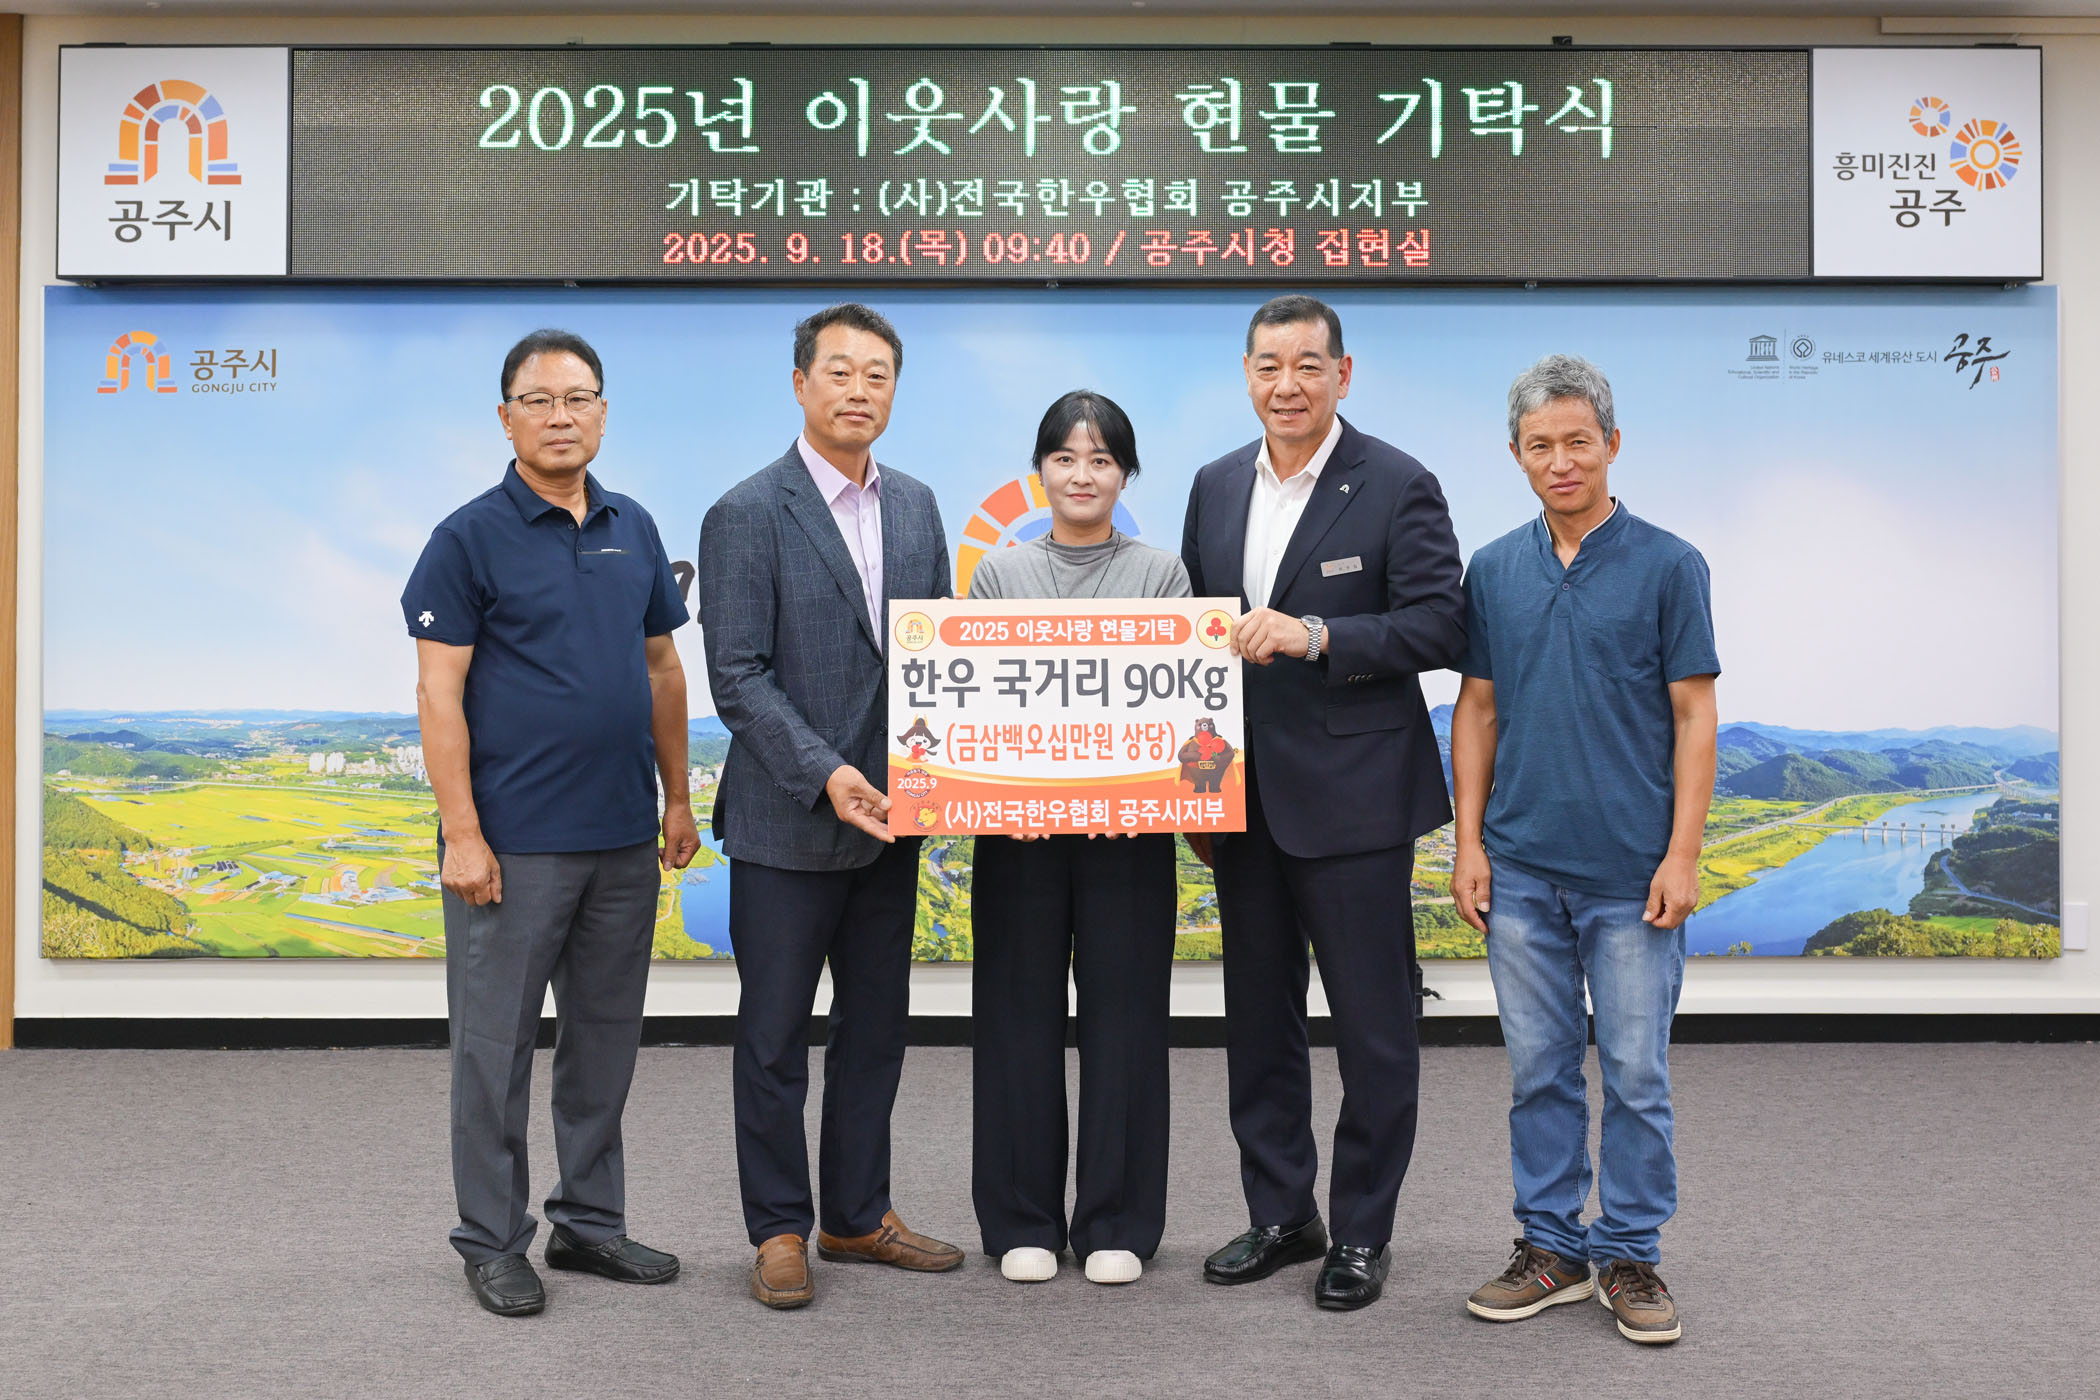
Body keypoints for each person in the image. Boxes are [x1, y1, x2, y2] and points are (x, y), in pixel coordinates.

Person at [402, 328, 699, 1317]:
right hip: (512, 844)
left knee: (603, 1043)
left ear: (603, 411)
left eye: (579, 398)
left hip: (621, 834)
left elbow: (662, 670)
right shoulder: (466, 538)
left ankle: (590, 1222)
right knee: (493, 1054)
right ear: (506, 418)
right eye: (538, 400)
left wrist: (677, 797)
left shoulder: (633, 525)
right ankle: (491, 1240)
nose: (560, 415)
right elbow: (438, 695)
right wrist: (461, 832)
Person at [1180, 295, 1465, 1311]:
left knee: (1374, 1029)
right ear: (1246, 375)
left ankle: (1362, 1231)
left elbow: (1440, 625)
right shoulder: (1216, 484)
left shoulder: (1396, 481)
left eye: (1308, 365)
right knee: (1259, 1023)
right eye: (1269, 366)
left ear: (1343, 373)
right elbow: (1195, 644)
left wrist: (1320, 635)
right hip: (1243, 801)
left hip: (1356, 802)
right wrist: (1195, 791)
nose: (1287, 384)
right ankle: (1281, 1214)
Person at [697, 303, 963, 1310]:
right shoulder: (746, 511)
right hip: (787, 818)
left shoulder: (919, 506)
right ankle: (778, 1228)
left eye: (878, 374)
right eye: (841, 371)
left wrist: (945, 777)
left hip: (893, 820)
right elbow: (738, 676)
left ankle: (856, 1214)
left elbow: (934, 656)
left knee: (876, 1028)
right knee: (773, 1036)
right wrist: (825, 773)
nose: (859, 390)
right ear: (801, 383)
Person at [1449, 354, 1719, 1346]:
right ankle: (1553, 1248)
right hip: (1520, 868)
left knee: (1637, 1073)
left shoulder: (1670, 564)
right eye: (1540, 445)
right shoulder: (1494, 569)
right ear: (1515, 455)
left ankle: (1631, 1251)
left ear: (1611, 443)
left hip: (1632, 874)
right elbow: (1477, 709)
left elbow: (1694, 715)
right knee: (1540, 1070)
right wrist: (1468, 841)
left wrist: (1683, 852)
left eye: (1577, 441)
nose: (1560, 460)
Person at [966, 390, 1192, 1288]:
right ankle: (1021, 1218)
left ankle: (1117, 1221)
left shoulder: (1164, 576)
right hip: (1017, 834)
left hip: (1128, 836)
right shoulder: (999, 576)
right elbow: (978, 712)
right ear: (1040, 472)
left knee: (1126, 1021)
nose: (1082, 474)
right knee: (1014, 1019)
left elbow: (1184, 710)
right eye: (1065, 457)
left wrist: (1136, 788)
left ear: (1125, 474)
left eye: (1101, 459)